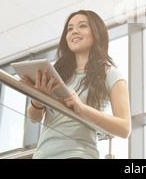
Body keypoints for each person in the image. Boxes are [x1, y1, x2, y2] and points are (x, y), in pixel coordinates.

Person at [23, 10, 131, 159]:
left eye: (82, 26)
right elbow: (34, 118)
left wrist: (81, 108)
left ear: (96, 33)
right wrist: (39, 99)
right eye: (70, 29)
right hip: (43, 155)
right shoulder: (57, 73)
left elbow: (125, 128)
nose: (74, 31)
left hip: (79, 155)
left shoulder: (111, 74)